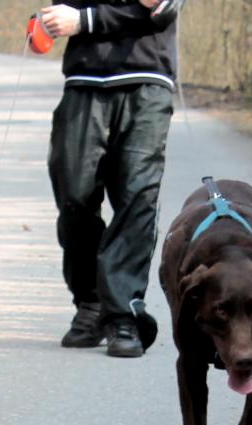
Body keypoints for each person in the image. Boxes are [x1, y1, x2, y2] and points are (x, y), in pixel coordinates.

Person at [40, 0, 185, 358]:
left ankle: (123, 314)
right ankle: (90, 304)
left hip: (146, 82)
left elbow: (157, 9)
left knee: (137, 198)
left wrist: (84, 19)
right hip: (83, 81)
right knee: (73, 197)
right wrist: (47, 24)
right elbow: (65, 12)